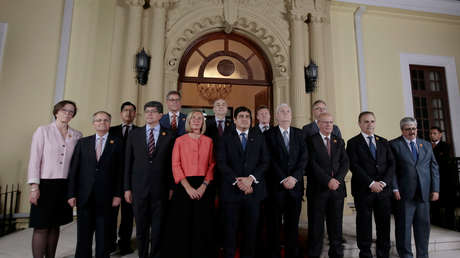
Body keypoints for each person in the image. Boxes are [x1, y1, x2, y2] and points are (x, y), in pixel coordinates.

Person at [27, 100, 83, 258]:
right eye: (64, 110)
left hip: (65, 185)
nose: (68, 113)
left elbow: (77, 165)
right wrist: (34, 187)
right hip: (45, 184)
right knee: (41, 226)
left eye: (71, 111)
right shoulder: (43, 131)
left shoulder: (77, 135)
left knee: (55, 225)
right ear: (57, 111)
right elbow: (34, 160)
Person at [67, 111, 123, 258]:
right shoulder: (83, 142)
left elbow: (120, 172)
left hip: (107, 197)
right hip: (85, 196)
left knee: (103, 233)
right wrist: (71, 194)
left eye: (105, 120)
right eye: (98, 120)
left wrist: (118, 194)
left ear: (109, 123)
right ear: (93, 123)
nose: (102, 123)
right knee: (83, 234)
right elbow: (74, 170)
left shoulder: (117, 143)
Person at [217, 106, 270, 258]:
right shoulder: (225, 137)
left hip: (253, 193)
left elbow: (265, 161)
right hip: (231, 193)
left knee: (251, 233)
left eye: (247, 116)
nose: (245, 119)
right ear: (234, 119)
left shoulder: (258, 136)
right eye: (241, 116)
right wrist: (238, 182)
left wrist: (251, 179)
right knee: (230, 233)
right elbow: (221, 163)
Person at [124, 101, 175, 258]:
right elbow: (128, 162)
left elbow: (172, 164)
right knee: (141, 226)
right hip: (138, 188)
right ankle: (143, 255)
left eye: (153, 111)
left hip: (161, 189)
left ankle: (156, 254)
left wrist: (172, 187)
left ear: (160, 115)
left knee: (158, 227)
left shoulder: (170, 135)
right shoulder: (135, 134)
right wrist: (127, 188)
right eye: (147, 111)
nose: (149, 114)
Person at [164, 110, 215, 258]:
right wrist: (188, 188)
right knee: (182, 224)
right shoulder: (180, 140)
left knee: (202, 224)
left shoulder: (209, 141)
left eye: (200, 118)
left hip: (204, 186)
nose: (197, 120)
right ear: (189, 121)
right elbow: (175, 165)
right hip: (184, 187)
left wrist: (203, 186)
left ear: (203, 122)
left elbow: (212, 164)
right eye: (194, 118)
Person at [346, 111, 394, 258]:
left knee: (383, 225)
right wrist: (371, 183)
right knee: (364, 225)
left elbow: (392, 164)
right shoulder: (353, 143)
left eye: (372, 121)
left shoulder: (383, 141)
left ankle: (383, 254)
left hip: (383, 191)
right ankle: (365, 254)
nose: (370, 124)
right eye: (366, 121)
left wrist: (384, 182)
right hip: (363, 190)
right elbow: (354, 166)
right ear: (359, 124)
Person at [390, 117, 440, 258]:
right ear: (402, 130)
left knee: (423, 228)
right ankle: (406, 255)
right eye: (408, 129)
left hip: (424, 194)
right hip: (404, 194)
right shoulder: (394, 145)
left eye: (413, 128)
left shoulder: (426, 145)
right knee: (404, 228)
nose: (412, 131)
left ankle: (423, 255)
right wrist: (395, 188)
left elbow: (434, 168)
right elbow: (392, 169)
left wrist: (435, 189)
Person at [264, 104, 308, 258]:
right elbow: (269, 159)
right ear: (276, 116)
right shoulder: (268, 134)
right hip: (276, 187)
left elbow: (304, 158)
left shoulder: (300, 134)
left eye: (288, 111)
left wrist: (294, 177)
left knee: (292, 227)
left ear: (291, 115)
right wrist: (283, 178)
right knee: (274, 226)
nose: (285, 113)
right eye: (281, 111)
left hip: (295, 187)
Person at [306, 112, 349, 258]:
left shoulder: (339, 140)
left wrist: (337, 180)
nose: (329, 125)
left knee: (336, 228)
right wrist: (327, 180)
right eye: (325, 122)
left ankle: (336, 255)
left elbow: (345, 163)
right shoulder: (310, 141)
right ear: (318, 124)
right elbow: (312, 164)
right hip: (318, 190)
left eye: (331, 122)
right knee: (316, 228)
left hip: (337, 190)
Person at [108, 101, 137, 254]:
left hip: (131, 179)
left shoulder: (140, 131)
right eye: (126, 110)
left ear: (135, 114)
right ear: (121, 113)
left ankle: (125, 242)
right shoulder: (111, 131)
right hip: (112, 178)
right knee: (111, 213)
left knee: (128, 213)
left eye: (132, 111)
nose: (128, 113)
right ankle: (110, 242)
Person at [429, 126, 456, 228]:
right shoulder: (427, 145)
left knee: (448, 204)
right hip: (432, 179)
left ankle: (450, 225)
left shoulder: (446, 146)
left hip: (445, 179)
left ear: (440, 135)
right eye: (431, 133)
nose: (432, 135)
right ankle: (436, 224)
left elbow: (443, 162)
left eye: (435, 133)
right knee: (434, 204)